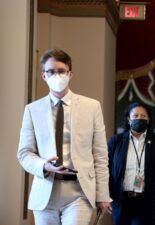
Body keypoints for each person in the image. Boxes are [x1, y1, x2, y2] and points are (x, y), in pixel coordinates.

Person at [17, 48, 111, 225]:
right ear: (44, 76)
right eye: (51, 72)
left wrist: (103, 195)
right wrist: (44, 165)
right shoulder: (32, 110)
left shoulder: (91, 107)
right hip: (45, 192)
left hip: (79, 192)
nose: (56, 76)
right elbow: (24, 153)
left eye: (61, 71)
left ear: (70, 74)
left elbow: (100, 155)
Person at [108, 102, 155, 225]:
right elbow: (106, 169)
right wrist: (104, 196)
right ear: (129, 119)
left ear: (149, 119)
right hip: (120, 200)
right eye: (135, 116)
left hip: (148, 201)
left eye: (143, 116)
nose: (139, 118)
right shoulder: (116, 141)